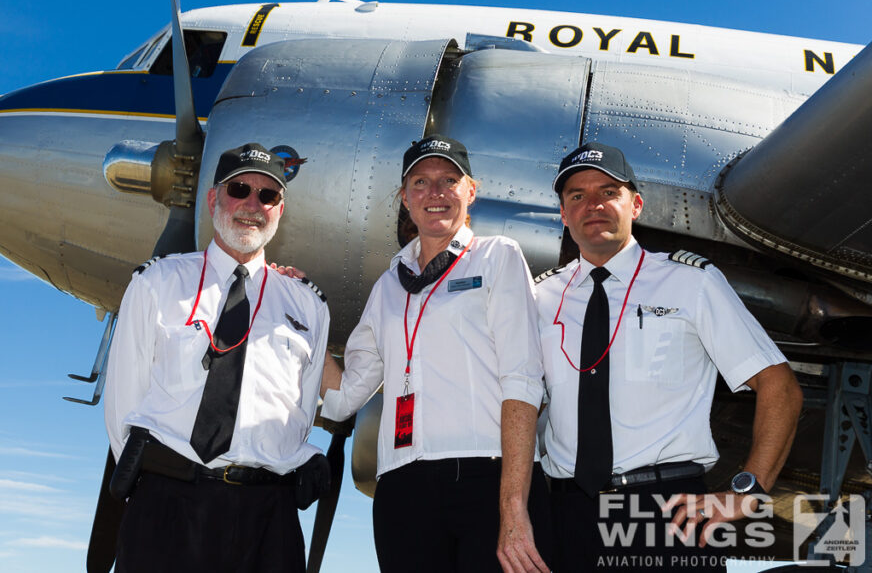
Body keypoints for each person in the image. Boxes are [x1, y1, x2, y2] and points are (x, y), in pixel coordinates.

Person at [524, 141, 802, 571]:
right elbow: (522, 407)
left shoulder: (691, 282)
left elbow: (778, 385)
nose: (592, 205)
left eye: (608, 192)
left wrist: (747, 492)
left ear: (635, 205)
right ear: (563, 214)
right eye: (576, 196)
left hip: (665, 514)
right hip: (565, 518)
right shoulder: (540, 298)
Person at [320, 134, 549, 573]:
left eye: (449, 180)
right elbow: (345, 395)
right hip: (402, 487)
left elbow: (522, 378)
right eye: (421, 183)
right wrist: (301, 309)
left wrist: (514, 505)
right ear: (405, 198)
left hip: (487, 477)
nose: (436, 193)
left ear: (471, 191)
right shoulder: (388, 286)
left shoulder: (497, 258)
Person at [103, 142, 331, 573]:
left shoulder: (308, 307)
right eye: (240, 189)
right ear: (212, 199)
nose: (252, 205)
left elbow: (300, 414)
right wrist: (164, 481)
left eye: (268, 196)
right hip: (166, 510)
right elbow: (123, 408)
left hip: (268, 521)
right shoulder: (157, 284)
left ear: (280, 210)